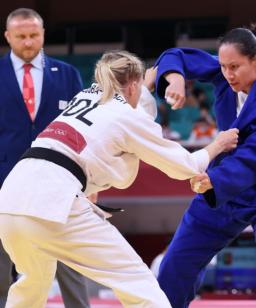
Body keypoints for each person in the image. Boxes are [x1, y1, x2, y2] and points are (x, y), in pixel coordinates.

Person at [0, 50, 238, 307]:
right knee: (138, 282)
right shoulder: (127, 116)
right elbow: (185, 166)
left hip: (11, 198)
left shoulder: (86, 95)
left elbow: (126, 104)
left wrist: (143, 87)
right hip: (54, 201)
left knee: (31, 284)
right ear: (134, 84)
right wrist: (217, 144)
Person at [151, 24, 256, 308]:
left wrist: (213, 180)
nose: (228, 74)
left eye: (235, 66)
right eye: (223, 66)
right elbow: (176, 55)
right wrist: (175, 79)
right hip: (224, 185)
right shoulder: (225, 75)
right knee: (176, 261)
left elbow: (254, 161)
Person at [0, 8, 89, 308]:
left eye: (33, 35)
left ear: (43, 35)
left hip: (58, 181)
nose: (28, 42)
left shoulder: (68, 75)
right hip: (4, 180)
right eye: (21, 36)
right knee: (1, 264)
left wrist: (89, 181)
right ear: (8, 36)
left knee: (70, 261)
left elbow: (83, 130)